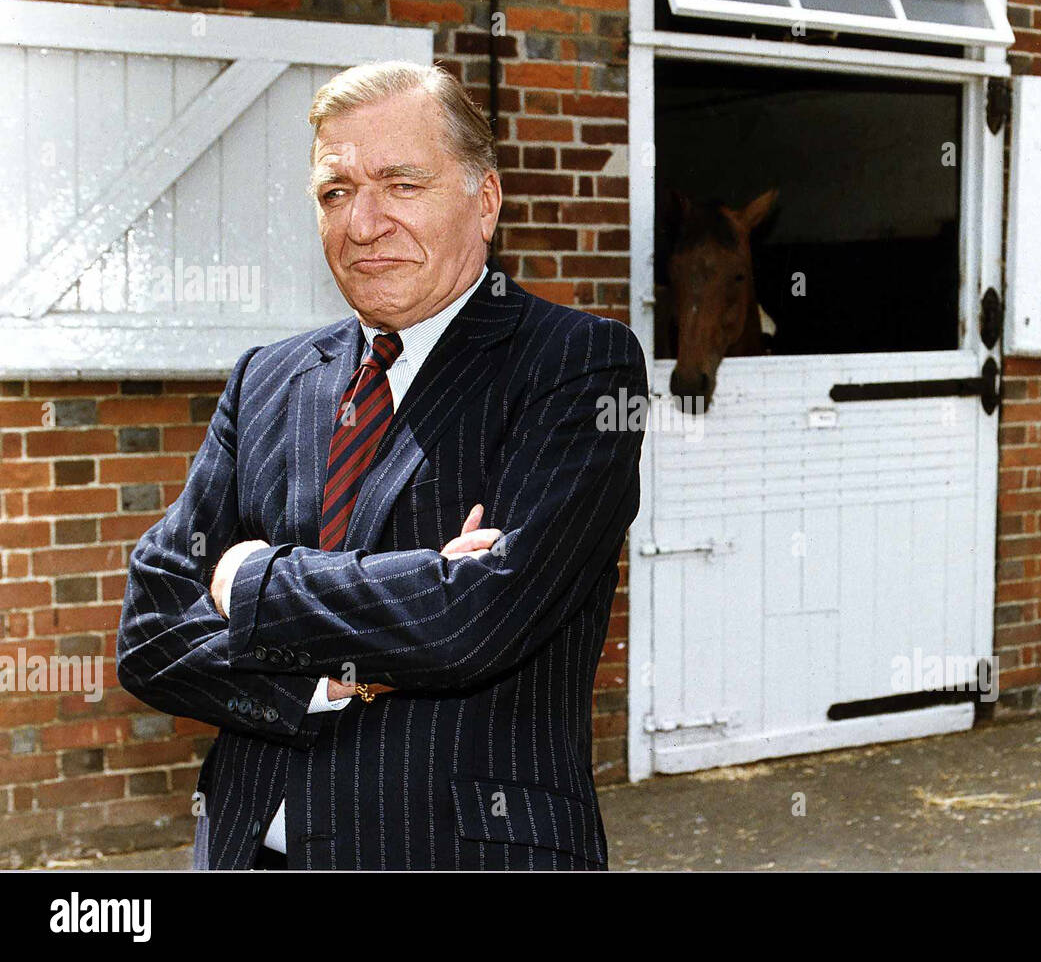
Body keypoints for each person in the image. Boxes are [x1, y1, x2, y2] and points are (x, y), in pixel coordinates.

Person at [117, 60, 647, 870]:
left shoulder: (577, 367)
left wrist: (248, 581)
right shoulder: (268, 378)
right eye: (336, 193)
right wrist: (326, 677)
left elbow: (475, 623)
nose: (363, 223)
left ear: (486, 202)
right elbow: (150, 631)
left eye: (401, 184)